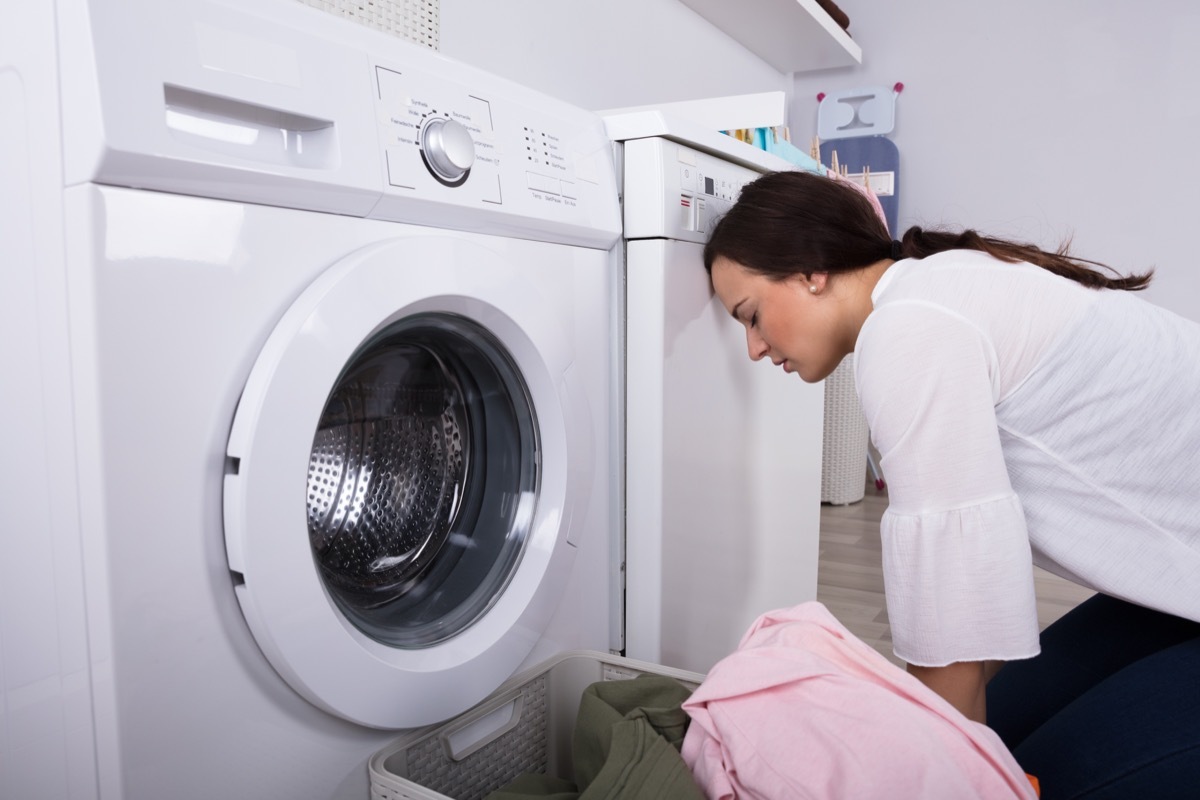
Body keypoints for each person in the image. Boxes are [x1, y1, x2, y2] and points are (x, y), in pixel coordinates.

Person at [702, 168, 1200, 799]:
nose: (753, 347)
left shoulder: (910, 328)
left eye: (751, 316)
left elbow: (951, 626)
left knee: (1037, 778)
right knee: (995, 738)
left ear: (810, 271)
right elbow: (972, 595)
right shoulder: (940, 283)